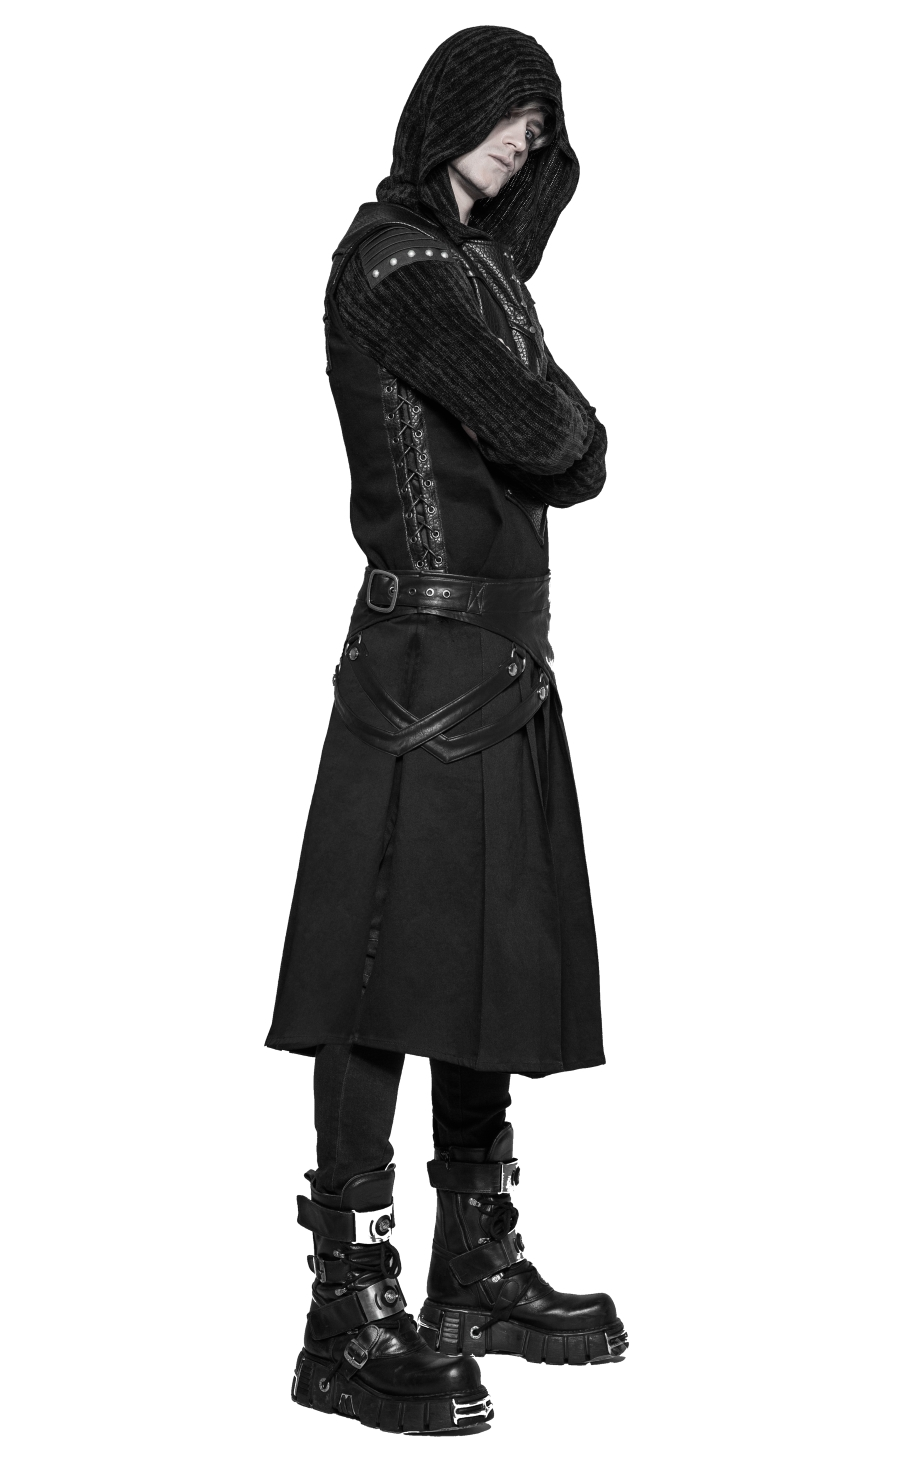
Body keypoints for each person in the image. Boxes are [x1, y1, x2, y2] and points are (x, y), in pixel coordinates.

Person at [265, 25, 627, 1436]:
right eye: (507, 116)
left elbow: (541, 423)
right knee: (375, 976)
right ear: (448, 113)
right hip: (422, 664)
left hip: (498, 657)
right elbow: (560, 445)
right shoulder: (401, 268)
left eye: (541, 129)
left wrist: (548, 393)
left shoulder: (470, 270)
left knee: (481, 954)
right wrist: (569, 421)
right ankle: (346, 1310)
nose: (522, 144)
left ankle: (469, 1264)